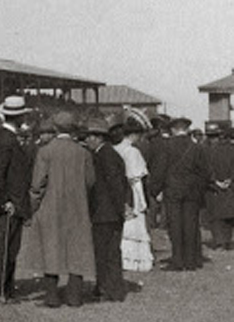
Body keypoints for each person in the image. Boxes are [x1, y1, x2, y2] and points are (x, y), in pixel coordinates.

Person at [26, 111, 96, 308]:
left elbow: (37, 184)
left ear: (55, 128)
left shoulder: (45, 151)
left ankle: (52, 296)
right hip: (77, 207)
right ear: (73, 129)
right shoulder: (83, 153)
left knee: (51, 248)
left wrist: (34, 207)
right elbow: (90, 182)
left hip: (50, 206)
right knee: (76, 250)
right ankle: (74, 297)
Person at [0, 96, 34, 303]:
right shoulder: (6, 139)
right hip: (11, 202)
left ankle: (6, 288)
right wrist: (5, 200)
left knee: (12, 247)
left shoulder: (7, 137)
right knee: (7, 247)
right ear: (20, 116)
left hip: (14, 200)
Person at [149, 117, 210, 271]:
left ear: (173, 129)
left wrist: (155, 189)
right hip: (192, 192)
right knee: (191, 225)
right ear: (187, 129)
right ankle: (191, 261)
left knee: (175, 226)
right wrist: (199, 189)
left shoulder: (166, 146)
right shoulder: (196, 147)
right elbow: (205, 172)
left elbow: (160, 170)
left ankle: (178, 260)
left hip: (172, 191)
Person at [85, 118, 129, 302]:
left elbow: (115, 185)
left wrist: (121, 208)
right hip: (109, 212)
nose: (87, 140)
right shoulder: (106, 153)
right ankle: (107, 286)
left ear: (98, 138)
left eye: (89, 136)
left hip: (105, 213)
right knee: (108, 252)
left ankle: (109, 288)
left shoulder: (105, 155)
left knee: (107, 253)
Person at [113, 117, 153, 272]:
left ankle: (123, 258)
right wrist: (143, 199)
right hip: (132, 190)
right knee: (135, 223)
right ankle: (135, 259)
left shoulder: (115, 149)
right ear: (133, 135)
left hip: (118, 190)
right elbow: (138, 178)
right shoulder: (133, 152)